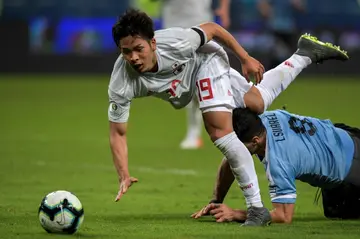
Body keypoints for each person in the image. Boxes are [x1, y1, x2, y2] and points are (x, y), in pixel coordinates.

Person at [108, 9, 348, 226]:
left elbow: (212, 29)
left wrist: (245, 58)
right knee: (259, 102)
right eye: (126, 52)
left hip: (206, 60)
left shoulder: (177, 42)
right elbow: (118, 132)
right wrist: (124, 174)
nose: (134, 58)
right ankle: (304, 55)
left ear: (153, 43)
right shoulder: (121, 81)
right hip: (190, 81)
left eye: (139, 49)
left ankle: (255, 208)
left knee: (219, 131)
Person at [192, 108, 360, 223]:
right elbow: (232, 158)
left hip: (351, 169)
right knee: (333, 209)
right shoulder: (262, 118)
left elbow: (284, 216)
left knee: (341, 213)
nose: (234, 150)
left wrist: (236, 214)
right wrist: (216, 201)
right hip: (342, 134)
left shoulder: (279, 161)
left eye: (237, 146)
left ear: (255, 141)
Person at [159, 0, 231, 149]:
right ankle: (198, 131)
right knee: (184, 79)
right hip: (173, 24)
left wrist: (224, 8)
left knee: (203, 76)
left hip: (199, 22)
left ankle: (196, 132)